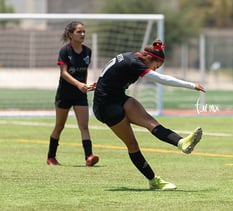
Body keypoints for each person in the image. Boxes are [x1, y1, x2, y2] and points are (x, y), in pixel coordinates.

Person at [92, 39, 205, 190]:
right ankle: (153, 180)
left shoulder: (132, 57)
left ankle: (182, 143)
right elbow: (161, 80)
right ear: (149, 58)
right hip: (105, 106)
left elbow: (109, 73)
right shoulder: (134, 62)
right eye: (156, 66)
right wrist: (191, 85)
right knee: (132, 144)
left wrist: (100, 84)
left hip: (118, 97)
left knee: (151, 123)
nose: (155, 70)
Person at [47, 21, 99, 166]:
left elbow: (84, 71)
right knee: (59, 126)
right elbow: (64, 73)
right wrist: (79, 84)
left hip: (80, 94)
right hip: (64, 94)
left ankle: (89, 157)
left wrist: (86, 86)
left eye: (84, 32)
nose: (82, 34)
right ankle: (51, 157)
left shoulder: (87, 51)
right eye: (79, 32)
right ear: (71, 34)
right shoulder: (65, 51)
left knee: (84, 126)